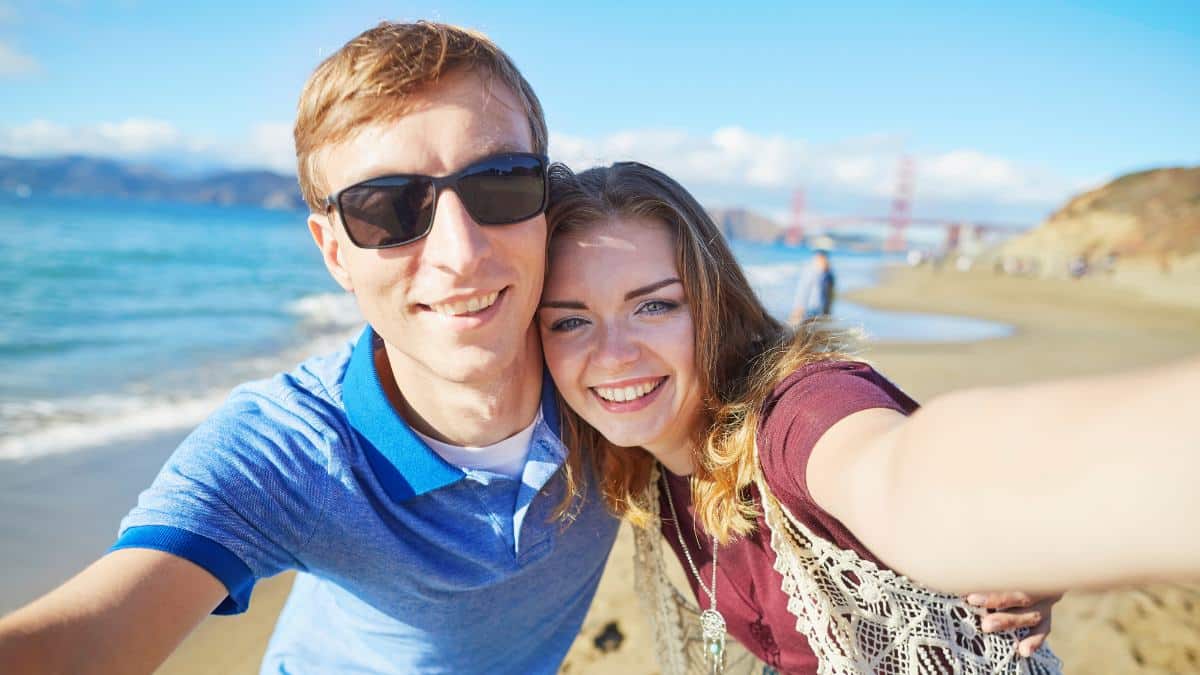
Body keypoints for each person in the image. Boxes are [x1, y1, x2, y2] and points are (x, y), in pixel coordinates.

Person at [0, 22, 620, 674]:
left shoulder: (617, 385)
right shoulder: (297, 451)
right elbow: (93, 636)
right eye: (389, 209)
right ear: (334, 253)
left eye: (500, 182)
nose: (461, 253)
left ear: (546, 203)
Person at [538, 162, 1200, 674]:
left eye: (654, 305)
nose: (612, 355)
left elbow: (901, 472)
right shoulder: (633, 468)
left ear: (715, 302)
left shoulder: (794, 413)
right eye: (571, 319)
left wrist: (1023, 521)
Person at [788, 249, 835, 323]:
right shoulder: (810, 272)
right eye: (820, 259)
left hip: (821, 308)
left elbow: (829, 293)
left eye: (825, 259)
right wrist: (799, 307)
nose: (824, 261)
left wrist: (828, 309)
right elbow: (803, 290)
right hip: (809, 308)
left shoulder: (829, 274)